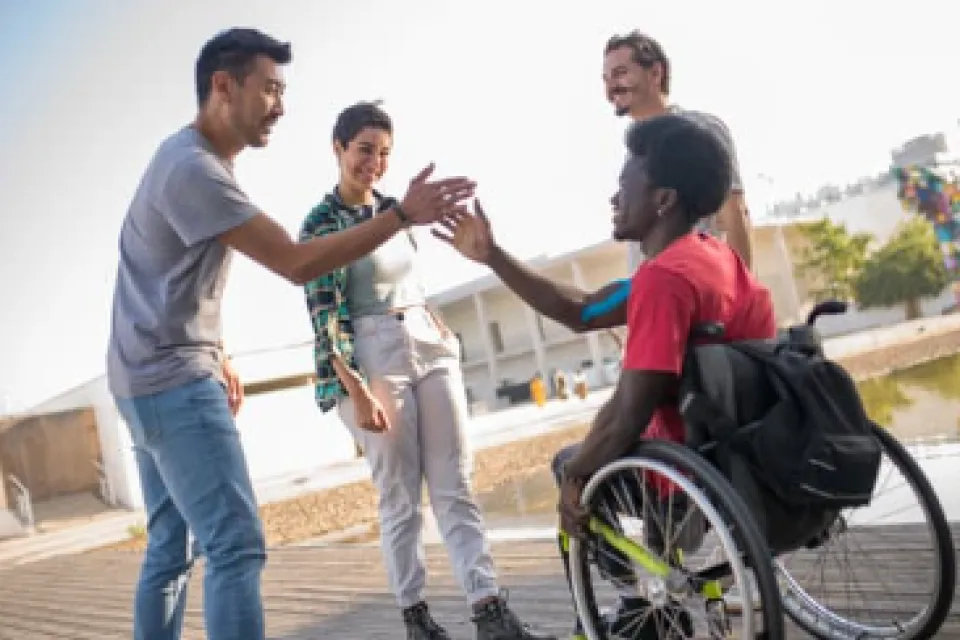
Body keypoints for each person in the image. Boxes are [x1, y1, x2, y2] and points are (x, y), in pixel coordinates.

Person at [106, 30, 476, 640]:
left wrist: (219, 348)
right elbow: (297, 262)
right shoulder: (195, 169)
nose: (281, 105)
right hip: (173, 382)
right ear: (224, 87)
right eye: (271, 89)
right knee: (236, 548)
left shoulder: (188, 158)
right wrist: (401, 215)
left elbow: (170, 275)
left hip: (141, 376)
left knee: (170, 548)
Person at [434, 114, 776, 639]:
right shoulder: (714, 256)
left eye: (624, 185)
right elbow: (584, 309)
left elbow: (629, 412)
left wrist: (576, 479)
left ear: (663, 199)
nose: (614, 197)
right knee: (590, 457)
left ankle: (633, 603)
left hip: (688, 470)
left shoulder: (663, 280)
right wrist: (493, 256)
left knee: (571, 465)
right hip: (743, 453)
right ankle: (646, 594)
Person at [299, 101, 554, 640]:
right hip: (370, 352)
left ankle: (489, 611)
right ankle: (417, 619)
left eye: (385, 153)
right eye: (365, 149)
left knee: (454, 484)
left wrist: (436, 324)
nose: (375, 162)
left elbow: (408, 283)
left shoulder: (397, 210)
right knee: (399, 497)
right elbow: (325, 316)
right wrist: (357, 389)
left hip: (429, 342)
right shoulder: (321, 223)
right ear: (338, 148)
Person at [603, 30, 754, 274]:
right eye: (606, 79)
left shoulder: (700, 131)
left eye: (620, 74)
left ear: (655, 73)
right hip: (660, 294)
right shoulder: (635, 152)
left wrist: (741, 295)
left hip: (699, 289)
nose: (611, 88)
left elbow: (734, 213)